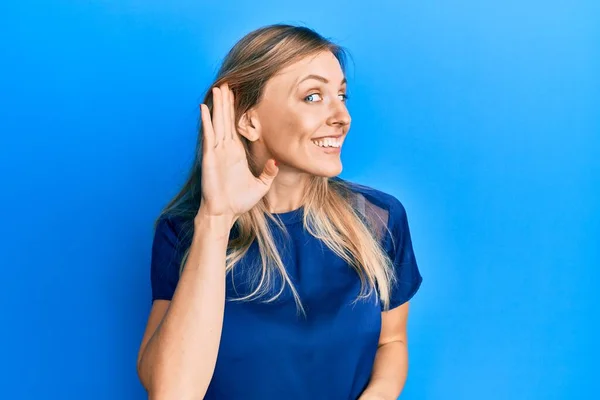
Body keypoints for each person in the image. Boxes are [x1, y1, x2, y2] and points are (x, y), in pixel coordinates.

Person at [136, 23, 423, 400]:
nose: (341, 116)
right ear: (249, 120)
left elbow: (392, 341)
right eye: (312, 97)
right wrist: (216, 219)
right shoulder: (185, 233)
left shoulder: (379, 219)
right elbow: (173, 392)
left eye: (341, 95)